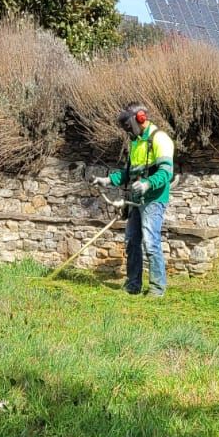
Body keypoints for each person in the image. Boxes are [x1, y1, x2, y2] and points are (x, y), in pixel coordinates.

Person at [93, 102, 175, 297]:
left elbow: (166, 172)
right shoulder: (136, 142)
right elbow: (128, 173)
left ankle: (157, 289)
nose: (127, 131)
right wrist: (107, 180)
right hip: (136, 199)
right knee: (132, 241)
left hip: (154, 199)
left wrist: (147, 184)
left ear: (140, 118)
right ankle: (133, 284)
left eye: (128, 126)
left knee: (150, 242)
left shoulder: (160, 139)